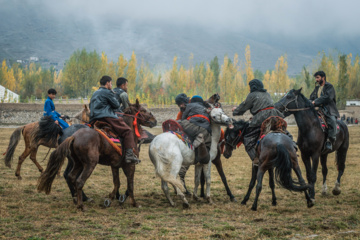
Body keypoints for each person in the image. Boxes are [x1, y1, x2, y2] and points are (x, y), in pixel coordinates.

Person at [232, 79, 290, 166]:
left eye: (249, 87)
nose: (249, 89)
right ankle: (292, 147)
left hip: (262, 118)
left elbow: (243, 107)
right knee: (285, 133)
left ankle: (257, 160)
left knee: (247, 139)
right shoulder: (267, 94)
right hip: (275, 115)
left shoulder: (252, 95)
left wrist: (235, 110)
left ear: (253, 86)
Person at [89, 76, 140, 164]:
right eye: (111, 83)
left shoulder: (95, 93)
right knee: (127, 131)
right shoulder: (108, 92)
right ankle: (129, 154)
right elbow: (116, 105)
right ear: (107, 83)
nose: (112, 85)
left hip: (94, 117)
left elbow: (90, 105)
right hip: (106, 116)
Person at [310, 71, 340, 150]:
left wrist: (315, 102)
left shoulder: (329, 87)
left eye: (318, 77)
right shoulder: (316, 88)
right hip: (317, 109)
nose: (316, 80)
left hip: (328, 109)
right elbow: (311, 97)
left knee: (332, 121)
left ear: (323, 78)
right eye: (316, 78)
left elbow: (328, 97)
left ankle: (330, 141)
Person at [181, 95, 211, 164]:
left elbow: (183, 117)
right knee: (207, 146)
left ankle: (196, 140)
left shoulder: (189, 105)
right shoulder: (205, 107)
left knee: (181, 122)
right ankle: (202, 143)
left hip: (192, 127)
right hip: (205, 129)